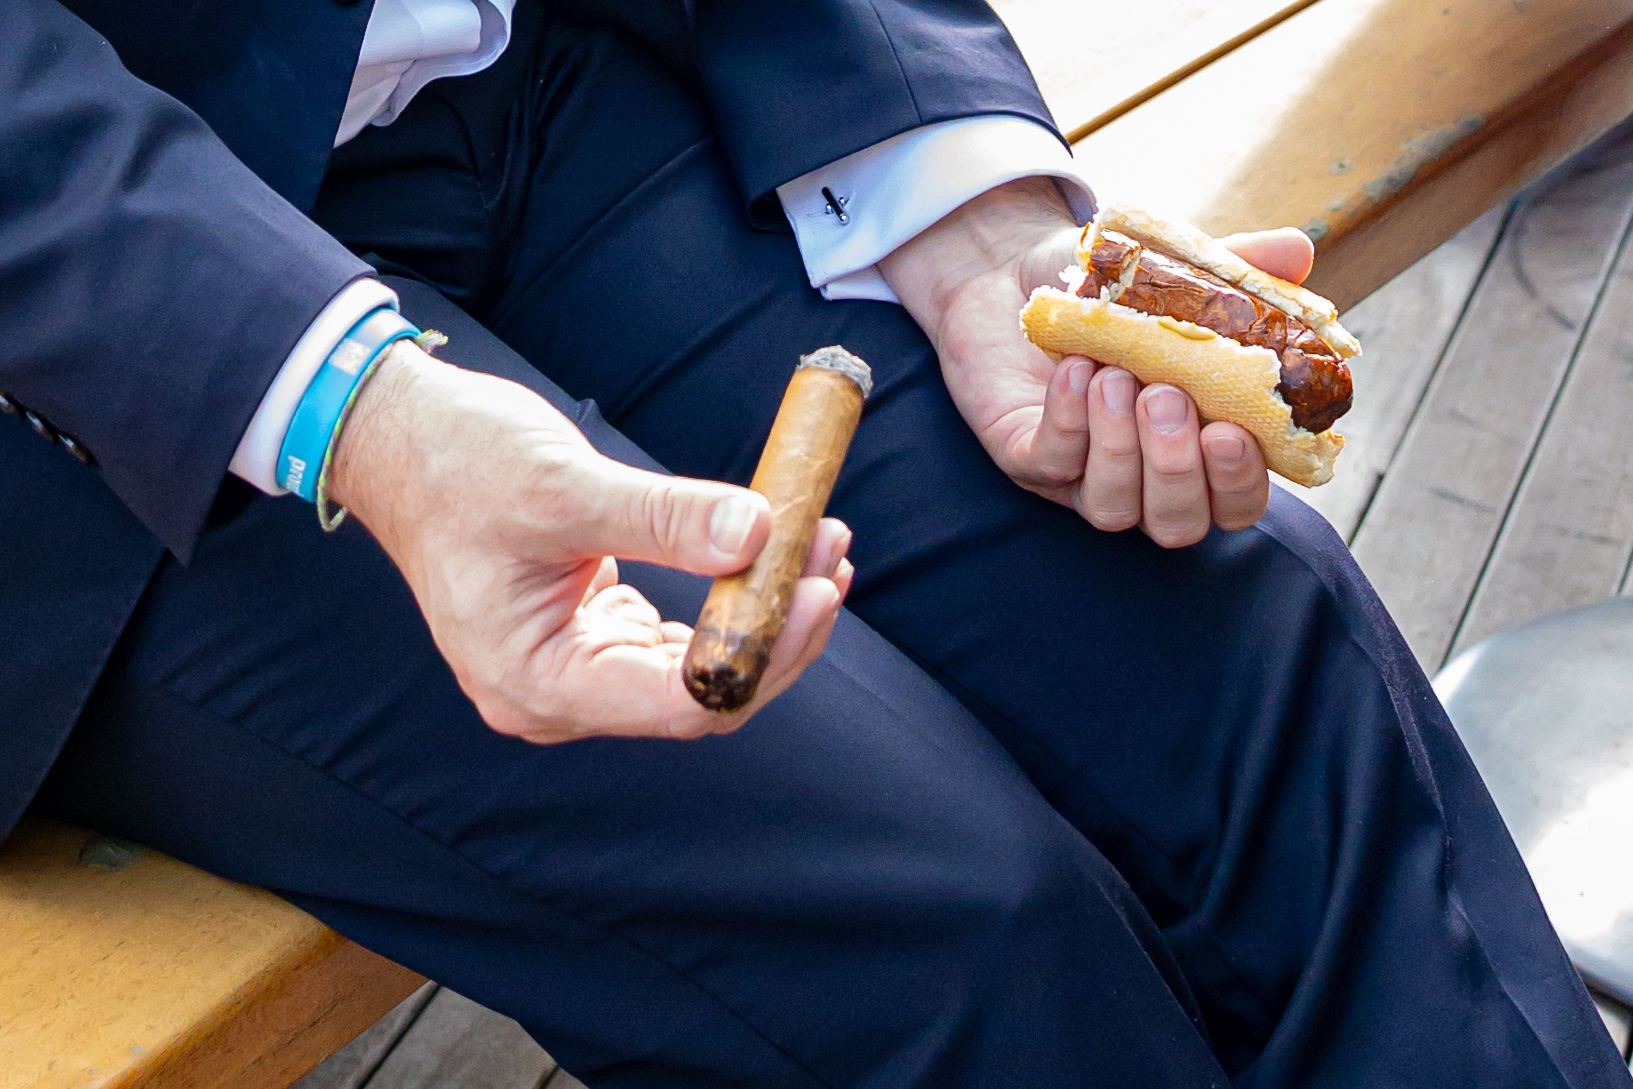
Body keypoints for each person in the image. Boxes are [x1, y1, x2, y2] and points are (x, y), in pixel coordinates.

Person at [2, 1, 1627, 1086]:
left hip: (519, 83)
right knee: (949, 920)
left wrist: (951, 188)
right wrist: (357, 404)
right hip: (79, 355)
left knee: (1255, 649)